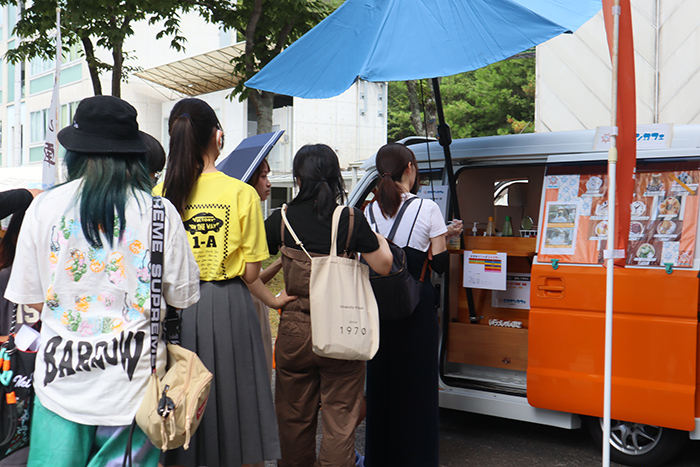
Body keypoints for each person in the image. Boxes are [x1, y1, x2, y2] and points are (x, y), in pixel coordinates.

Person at [4, 95, 201, 467]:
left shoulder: (43, 207)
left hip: (60, 385)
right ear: (135, 154)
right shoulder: (161, 213)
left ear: (74, 154)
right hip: (134, 391)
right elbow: (183, 296)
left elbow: (31, 299)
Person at [158, 98, 284, 467]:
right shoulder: (241, 194)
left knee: (181, 401)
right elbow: (250, 274)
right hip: (229, 307)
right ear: (218, 137)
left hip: (176, 312)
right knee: (239, 407)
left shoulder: (161, 193)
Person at [264, 144, 392, 467]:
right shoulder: (350, 219)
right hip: (341, 328)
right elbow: (384, 265)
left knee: (292, 422)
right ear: (336, 177)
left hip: (294, 331)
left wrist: (272, 298)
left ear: (297, 179)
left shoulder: (279, 219)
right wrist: (378, 239)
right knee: (340, 421)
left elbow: (244, 268)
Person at [362, 143, 449, 467]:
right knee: (418, 390)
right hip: (416, 307)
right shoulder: (427, 209)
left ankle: (380, 459)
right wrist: (446, 236)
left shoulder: (367, 212)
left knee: (381, 387)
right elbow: (439, 263)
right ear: (410, 168)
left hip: (376, 308)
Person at [245, 158, 278, 379]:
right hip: (252, 308)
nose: (268, 183)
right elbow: (250, 279)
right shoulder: (249, 213)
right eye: (264, 176)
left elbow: (254, 280)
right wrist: (275, 301)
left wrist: (281, 261)